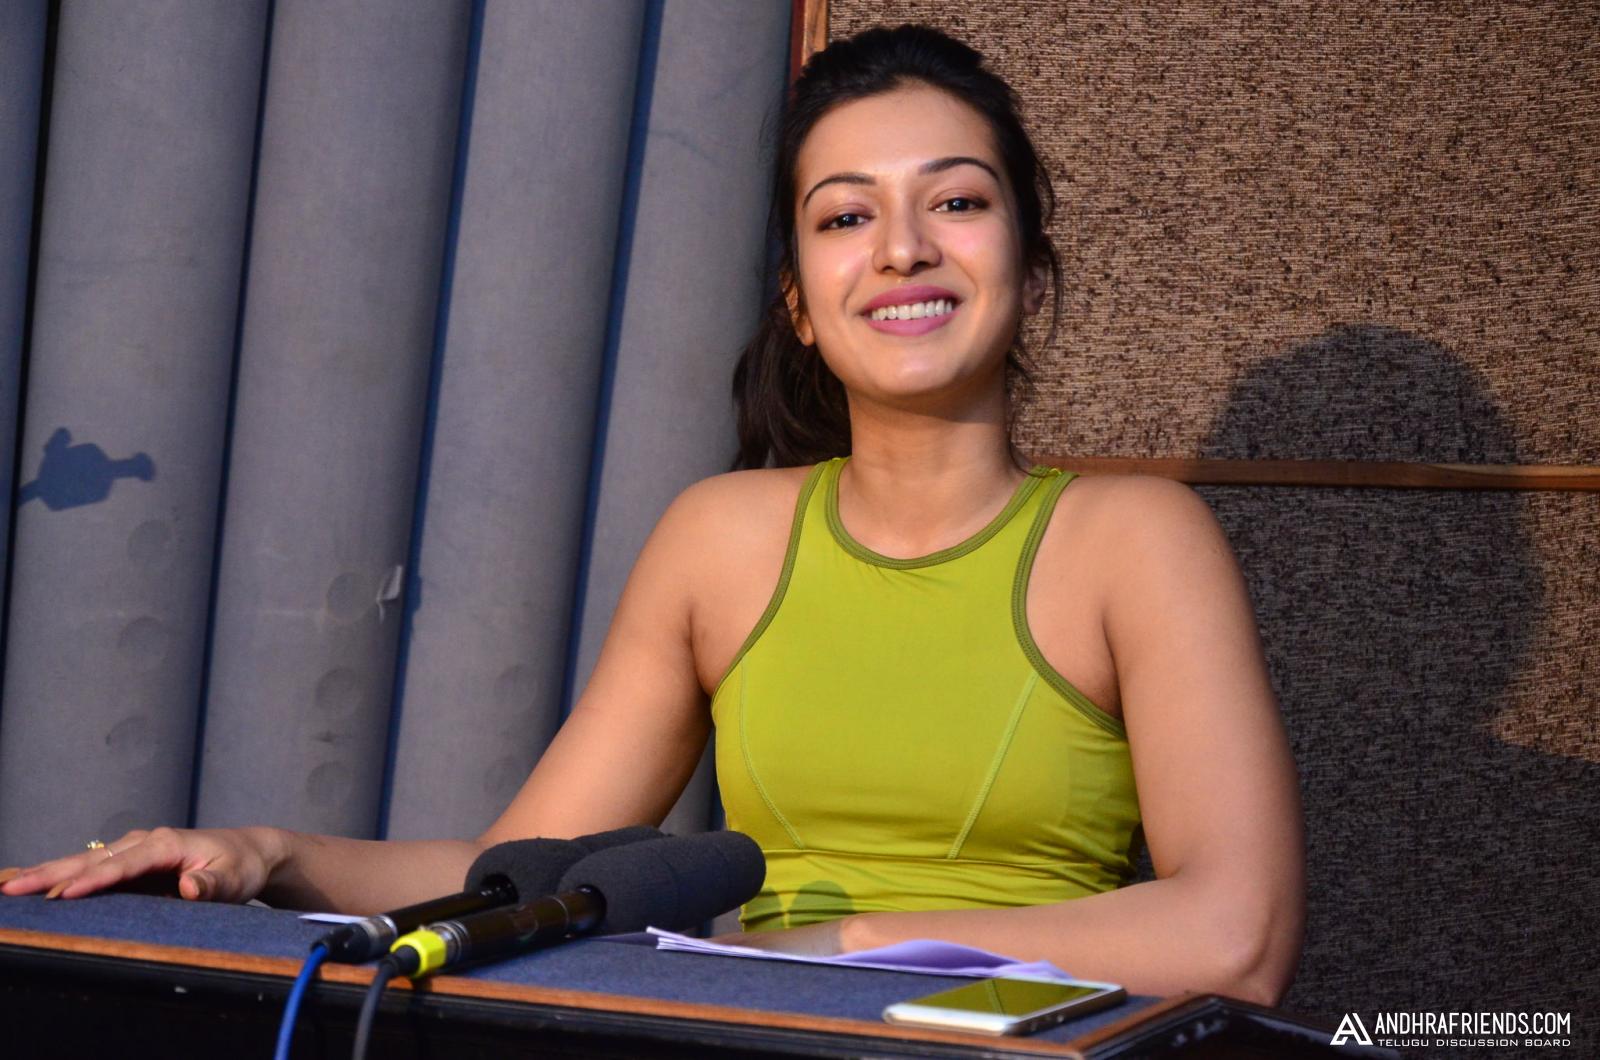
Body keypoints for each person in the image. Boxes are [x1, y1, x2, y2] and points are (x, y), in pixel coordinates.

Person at [0, 25, 1304, 1005]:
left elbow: (1237, 935)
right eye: (846, 216)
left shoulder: (1136, 541)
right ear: (799, 301)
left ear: (1028, 259)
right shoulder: (719, 540)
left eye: (956, 201)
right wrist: (262, 851)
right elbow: (519, 873)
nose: (903, 247)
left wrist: (861, 944)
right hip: (754, 1032)